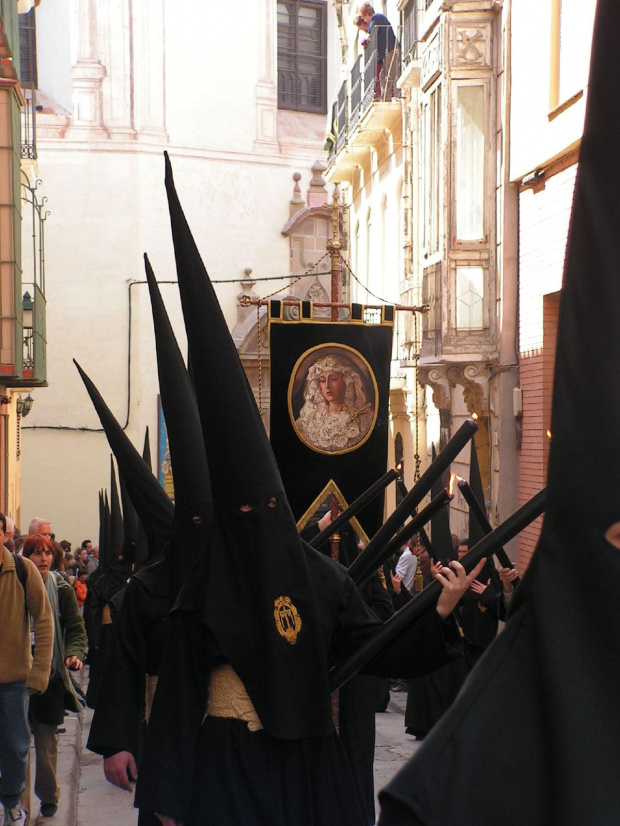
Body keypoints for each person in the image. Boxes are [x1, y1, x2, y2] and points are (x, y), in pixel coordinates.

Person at [22, 535, 86, 820]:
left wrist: (73, 654)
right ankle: (18, 804)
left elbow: (75, 628)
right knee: (17, 742)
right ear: (26, 558)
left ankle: (48, 796)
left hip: (50, 675)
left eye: (47, 553)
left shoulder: (60, 589)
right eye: (37, 554)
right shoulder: (15, 586)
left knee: (46, 742)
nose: (43, 559)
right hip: (18, 676)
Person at [0, 513, 53, 826]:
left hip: (14, 680)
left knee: (17, 748)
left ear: (4, 535)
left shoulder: (22, 569)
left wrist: (40, 671)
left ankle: (11, 803)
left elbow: (44, 621)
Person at [295, 355, 374, 452]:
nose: (327, 386)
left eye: (333, 379)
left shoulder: (363, 418)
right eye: (322, 380)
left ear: (347, 381)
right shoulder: (309, 420)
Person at [359, 3, 400, 99]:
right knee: (383, 76)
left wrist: (367, 38)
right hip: (385, 53)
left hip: (391, 49)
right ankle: (386, 98)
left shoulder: (376, 17)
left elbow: (371, 32)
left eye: (364, 18)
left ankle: (397, 96)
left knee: (393, 74)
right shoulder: (376, 19)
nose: (364, 20)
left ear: (367, 14)